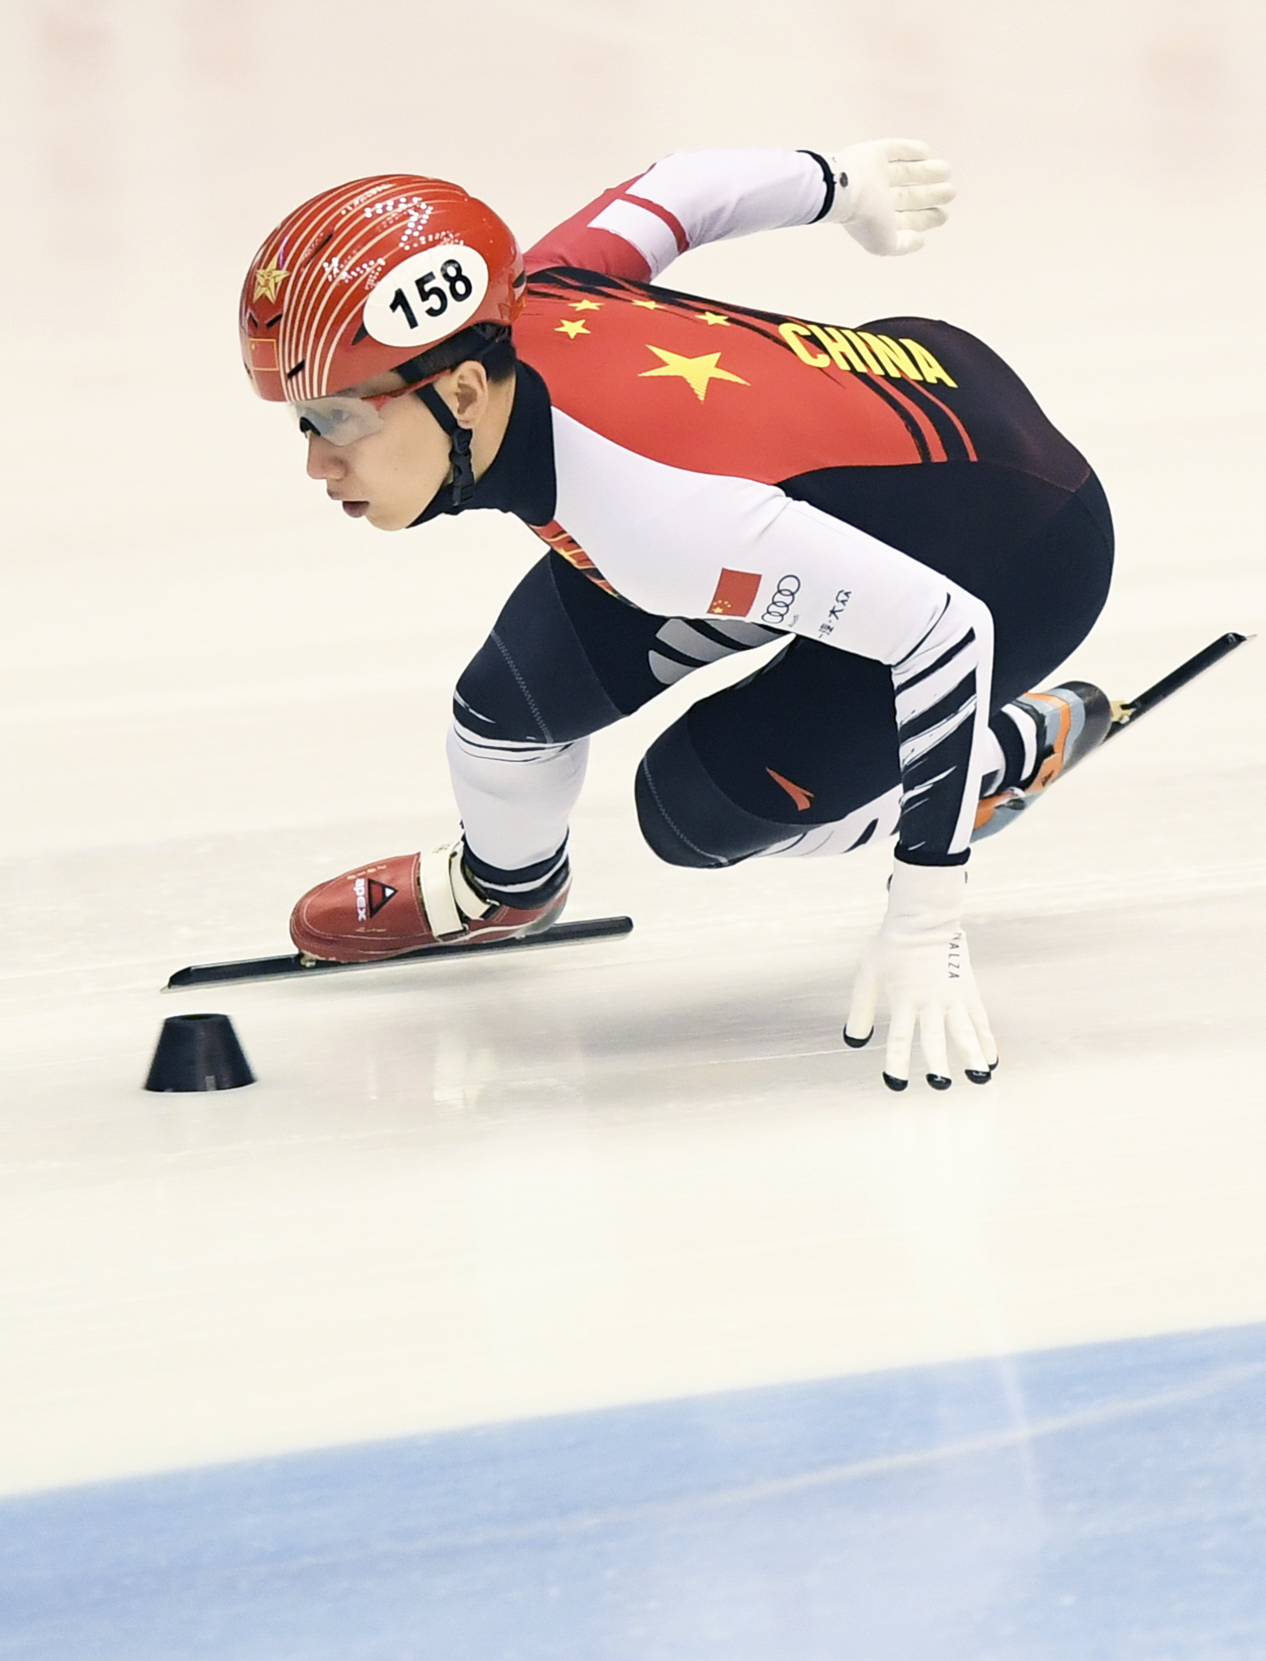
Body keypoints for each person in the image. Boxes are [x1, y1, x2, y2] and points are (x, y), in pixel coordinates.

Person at [242, 141, 1117, 1090]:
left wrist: (925, 923)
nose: (316, 462)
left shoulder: (653, 519)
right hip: (841, 452)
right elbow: (676, 192)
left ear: (459, 393)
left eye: (338, 418)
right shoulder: (534, 292)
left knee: (693, 815)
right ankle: (508, 888)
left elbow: (943, 631)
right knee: (506, 712)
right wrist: (841, 182)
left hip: (1012, 549)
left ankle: (997, 759)